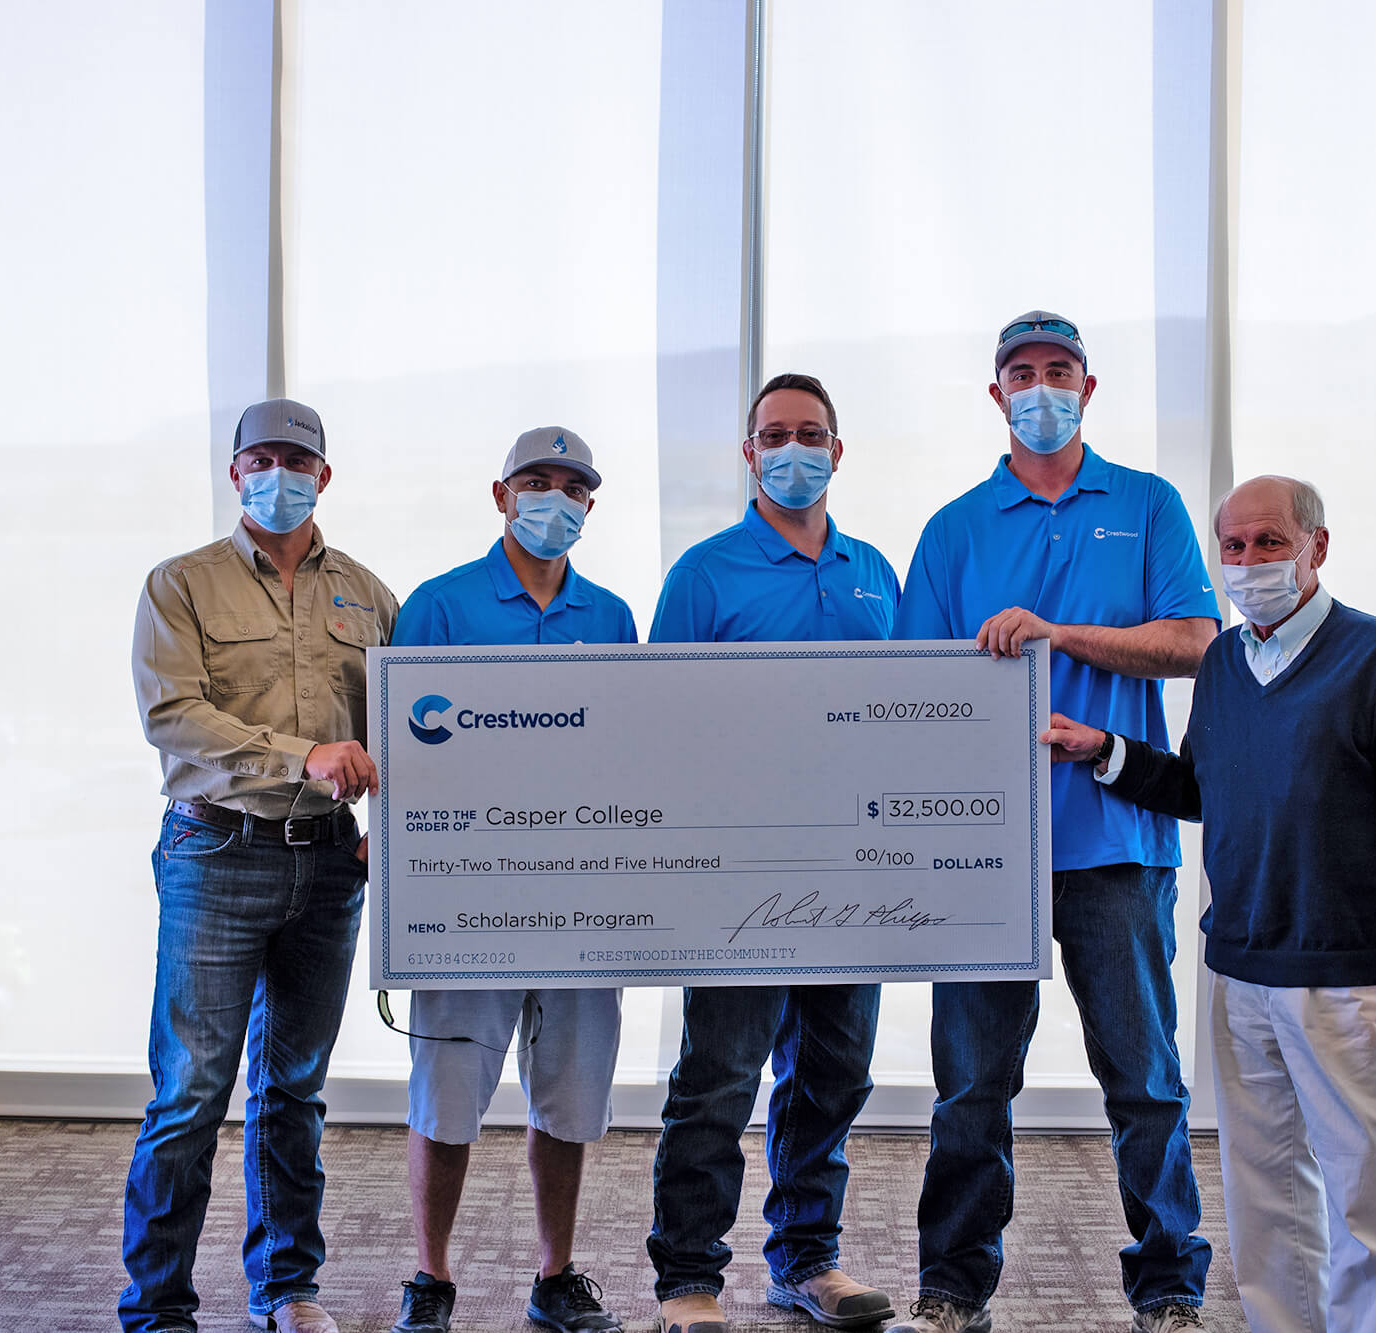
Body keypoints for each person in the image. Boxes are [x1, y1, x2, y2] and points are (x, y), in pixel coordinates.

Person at [1046, 475, 1376, 1333]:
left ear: (1317, 546)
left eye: (1268, 542)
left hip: (1346, 978)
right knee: (1264, 1197)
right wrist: (1107, 750)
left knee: (1364, 1198)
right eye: (1231, 546)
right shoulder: (1227, 663)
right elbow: (1204, 788)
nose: (1246, 562)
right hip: (1239, 972)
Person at [890, 312, 1219, 1333]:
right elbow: (912, 691)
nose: (1039, 387)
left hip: (1112, 841)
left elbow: (1195, 642)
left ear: (1087, 385)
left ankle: (1167, 1287)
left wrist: (1057, 634)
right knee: (971, 1091)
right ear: (995, 394)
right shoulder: (953, 528)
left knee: (1144, 1082)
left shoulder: (1146, 505)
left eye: (1057, 371)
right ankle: (951, 1286)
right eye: (1019, 374)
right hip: (982, 855)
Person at [124, 398, 397, 1333]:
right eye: (261, 459)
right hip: (217, 852)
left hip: (327, 865)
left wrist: (393, 830)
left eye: (298, 461)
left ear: (325, 476)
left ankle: (286, 1288)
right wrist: (301, 754)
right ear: (235, 471)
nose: (278, 475)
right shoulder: (181, 584)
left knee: (293, 1090)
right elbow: (176, 716)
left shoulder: (367, 592)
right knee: (192, 1089)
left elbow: (408, 721)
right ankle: (157, 1305)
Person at [647, 373, 900, 1333]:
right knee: (719, 1075)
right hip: (737, 870)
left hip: (853, 867)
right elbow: (662, 724)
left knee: (833, 1072)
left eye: (812, 434)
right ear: (748, 453)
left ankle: (808, 1259)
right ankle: (688, 1276)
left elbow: (908, 711)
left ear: (839, 450)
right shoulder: (705, 574)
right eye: (775, 435)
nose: (794, 449)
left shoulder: (876, 569)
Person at [385, 427, 637, 1333]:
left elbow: (627, 753)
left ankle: (555, 1274)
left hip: (580, 893)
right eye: (536, 481)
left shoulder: (610, 616)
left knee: (568, 1094)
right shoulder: (440, 605)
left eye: (571, 487)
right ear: (500, 495)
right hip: (469, 893)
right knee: (447, 1095)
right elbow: (402, 750)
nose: (553, 500)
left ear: (590, 508)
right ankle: (431, 1277)